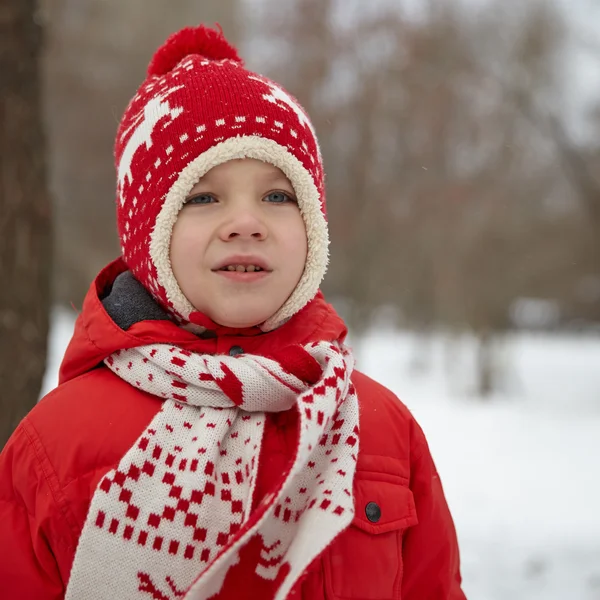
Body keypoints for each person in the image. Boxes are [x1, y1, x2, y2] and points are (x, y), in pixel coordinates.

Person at [0, 24, 466, 600]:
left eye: (277, 195)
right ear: (150, 236)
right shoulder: (55, 442)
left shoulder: (380, 426)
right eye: (202, 197)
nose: (246, 222)